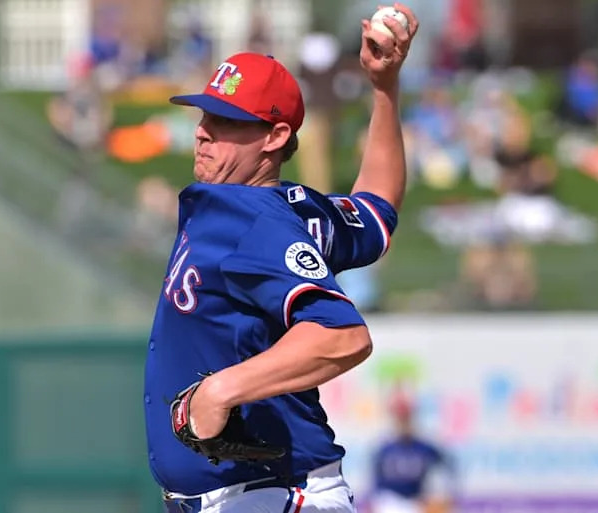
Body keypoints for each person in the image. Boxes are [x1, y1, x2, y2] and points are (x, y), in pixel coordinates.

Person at [143, 4, 419, 512]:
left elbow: (342, 335)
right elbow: (376, 210)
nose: (203, 131)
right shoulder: (294, 210)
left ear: (274, 137)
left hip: (274, 495)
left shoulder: (251, 219)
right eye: (206, 115)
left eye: (227, 122)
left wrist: (222, 389)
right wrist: (384, 89)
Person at [367, 395, 455, 513]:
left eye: (406, 418)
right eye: (400, 419)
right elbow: (376, 483)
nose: (404, 423)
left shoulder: (424, 448)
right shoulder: (386, 449)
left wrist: (443, 495)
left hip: (415, 501)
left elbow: (447, 467)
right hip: (389, 501)